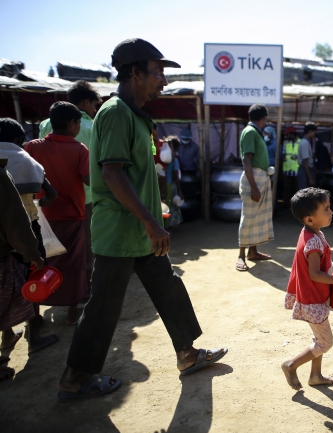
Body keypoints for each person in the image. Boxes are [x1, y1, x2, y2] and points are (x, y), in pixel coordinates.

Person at [58, 38, 227, 401]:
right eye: (158, 73)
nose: (163, 81)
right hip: (122, 231)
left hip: (141, 232)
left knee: (168, 287)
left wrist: (153, 220)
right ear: (135, 73)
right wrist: (152, 222)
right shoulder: (116, 112)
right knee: (104, 305)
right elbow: (113, 174)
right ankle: (74, 378)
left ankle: (187, 353)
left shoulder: (134, 115)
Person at [281, 188, 333, 390]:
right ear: (309, 219)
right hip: (312, 299)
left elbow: (323, 264)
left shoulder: (314, 233)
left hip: (316, 296)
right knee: (326, 342)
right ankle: (291, 365)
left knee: (319, 338)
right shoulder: (313, 241)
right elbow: (314, 274)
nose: (331, 212)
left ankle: (315, 375)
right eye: (325, 209)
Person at [26, 102, 90, 325]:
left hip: (39, 215)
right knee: (73, 264)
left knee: (38, 262)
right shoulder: (80, 149)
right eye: (78, 123)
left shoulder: (33, 146)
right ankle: (72, 313)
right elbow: (88, 179)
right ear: (72, 123)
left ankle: (35, 316)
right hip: (72, 216)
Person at [0, 157, 59, 381]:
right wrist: (32, 253)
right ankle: (34, 337)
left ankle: (7, 337)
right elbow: (14, 219)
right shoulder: (11, 168)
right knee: (28, 286)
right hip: (6, 249)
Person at [39, 80, 101, 290]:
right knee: (84, 247)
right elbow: (93, 172)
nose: (95, 110)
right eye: (94, 105)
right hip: (83, 200)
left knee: (54, 247)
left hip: (49, 200)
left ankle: (56, 286)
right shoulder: (91, 128)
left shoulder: (45, 126)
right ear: (85, 102)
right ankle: (83, 289)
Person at [236, 104, 274, 272]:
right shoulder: (251, 132)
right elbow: (247, 160)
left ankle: (253, 251)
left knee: (257, 218)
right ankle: (241, 256)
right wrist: (253, 187)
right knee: (249, 217)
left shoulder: (254, 132)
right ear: (263, 119)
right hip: (254, 181)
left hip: (259, 179)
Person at [164, 136, 184, 230]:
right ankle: (168, 226)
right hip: (170, 185)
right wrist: (180, 191)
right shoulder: (174, 160)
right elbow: (176, 176)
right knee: (171, 206)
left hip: (160, 184)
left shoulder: (162, 158)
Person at [281, 126, 300, 209]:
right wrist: (283, 157)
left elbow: (303, 155)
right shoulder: (285, 142)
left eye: (287, 134)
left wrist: (297, 157)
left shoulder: (301, 142)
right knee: (286, 188)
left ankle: (296, 206)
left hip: (296, 169)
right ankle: (286, 205)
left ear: (292, 134)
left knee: (297, 188)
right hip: (287, 169)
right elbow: (283, 153)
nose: (286, 136)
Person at [297, 123, 317, 190]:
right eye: (314, 132)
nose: (314, 134)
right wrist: (310, 178)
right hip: (305, 170)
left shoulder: (307, 142)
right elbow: (305, 162)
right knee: (305, 193)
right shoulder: (305, 143)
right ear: (310, 132)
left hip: (306, 169)